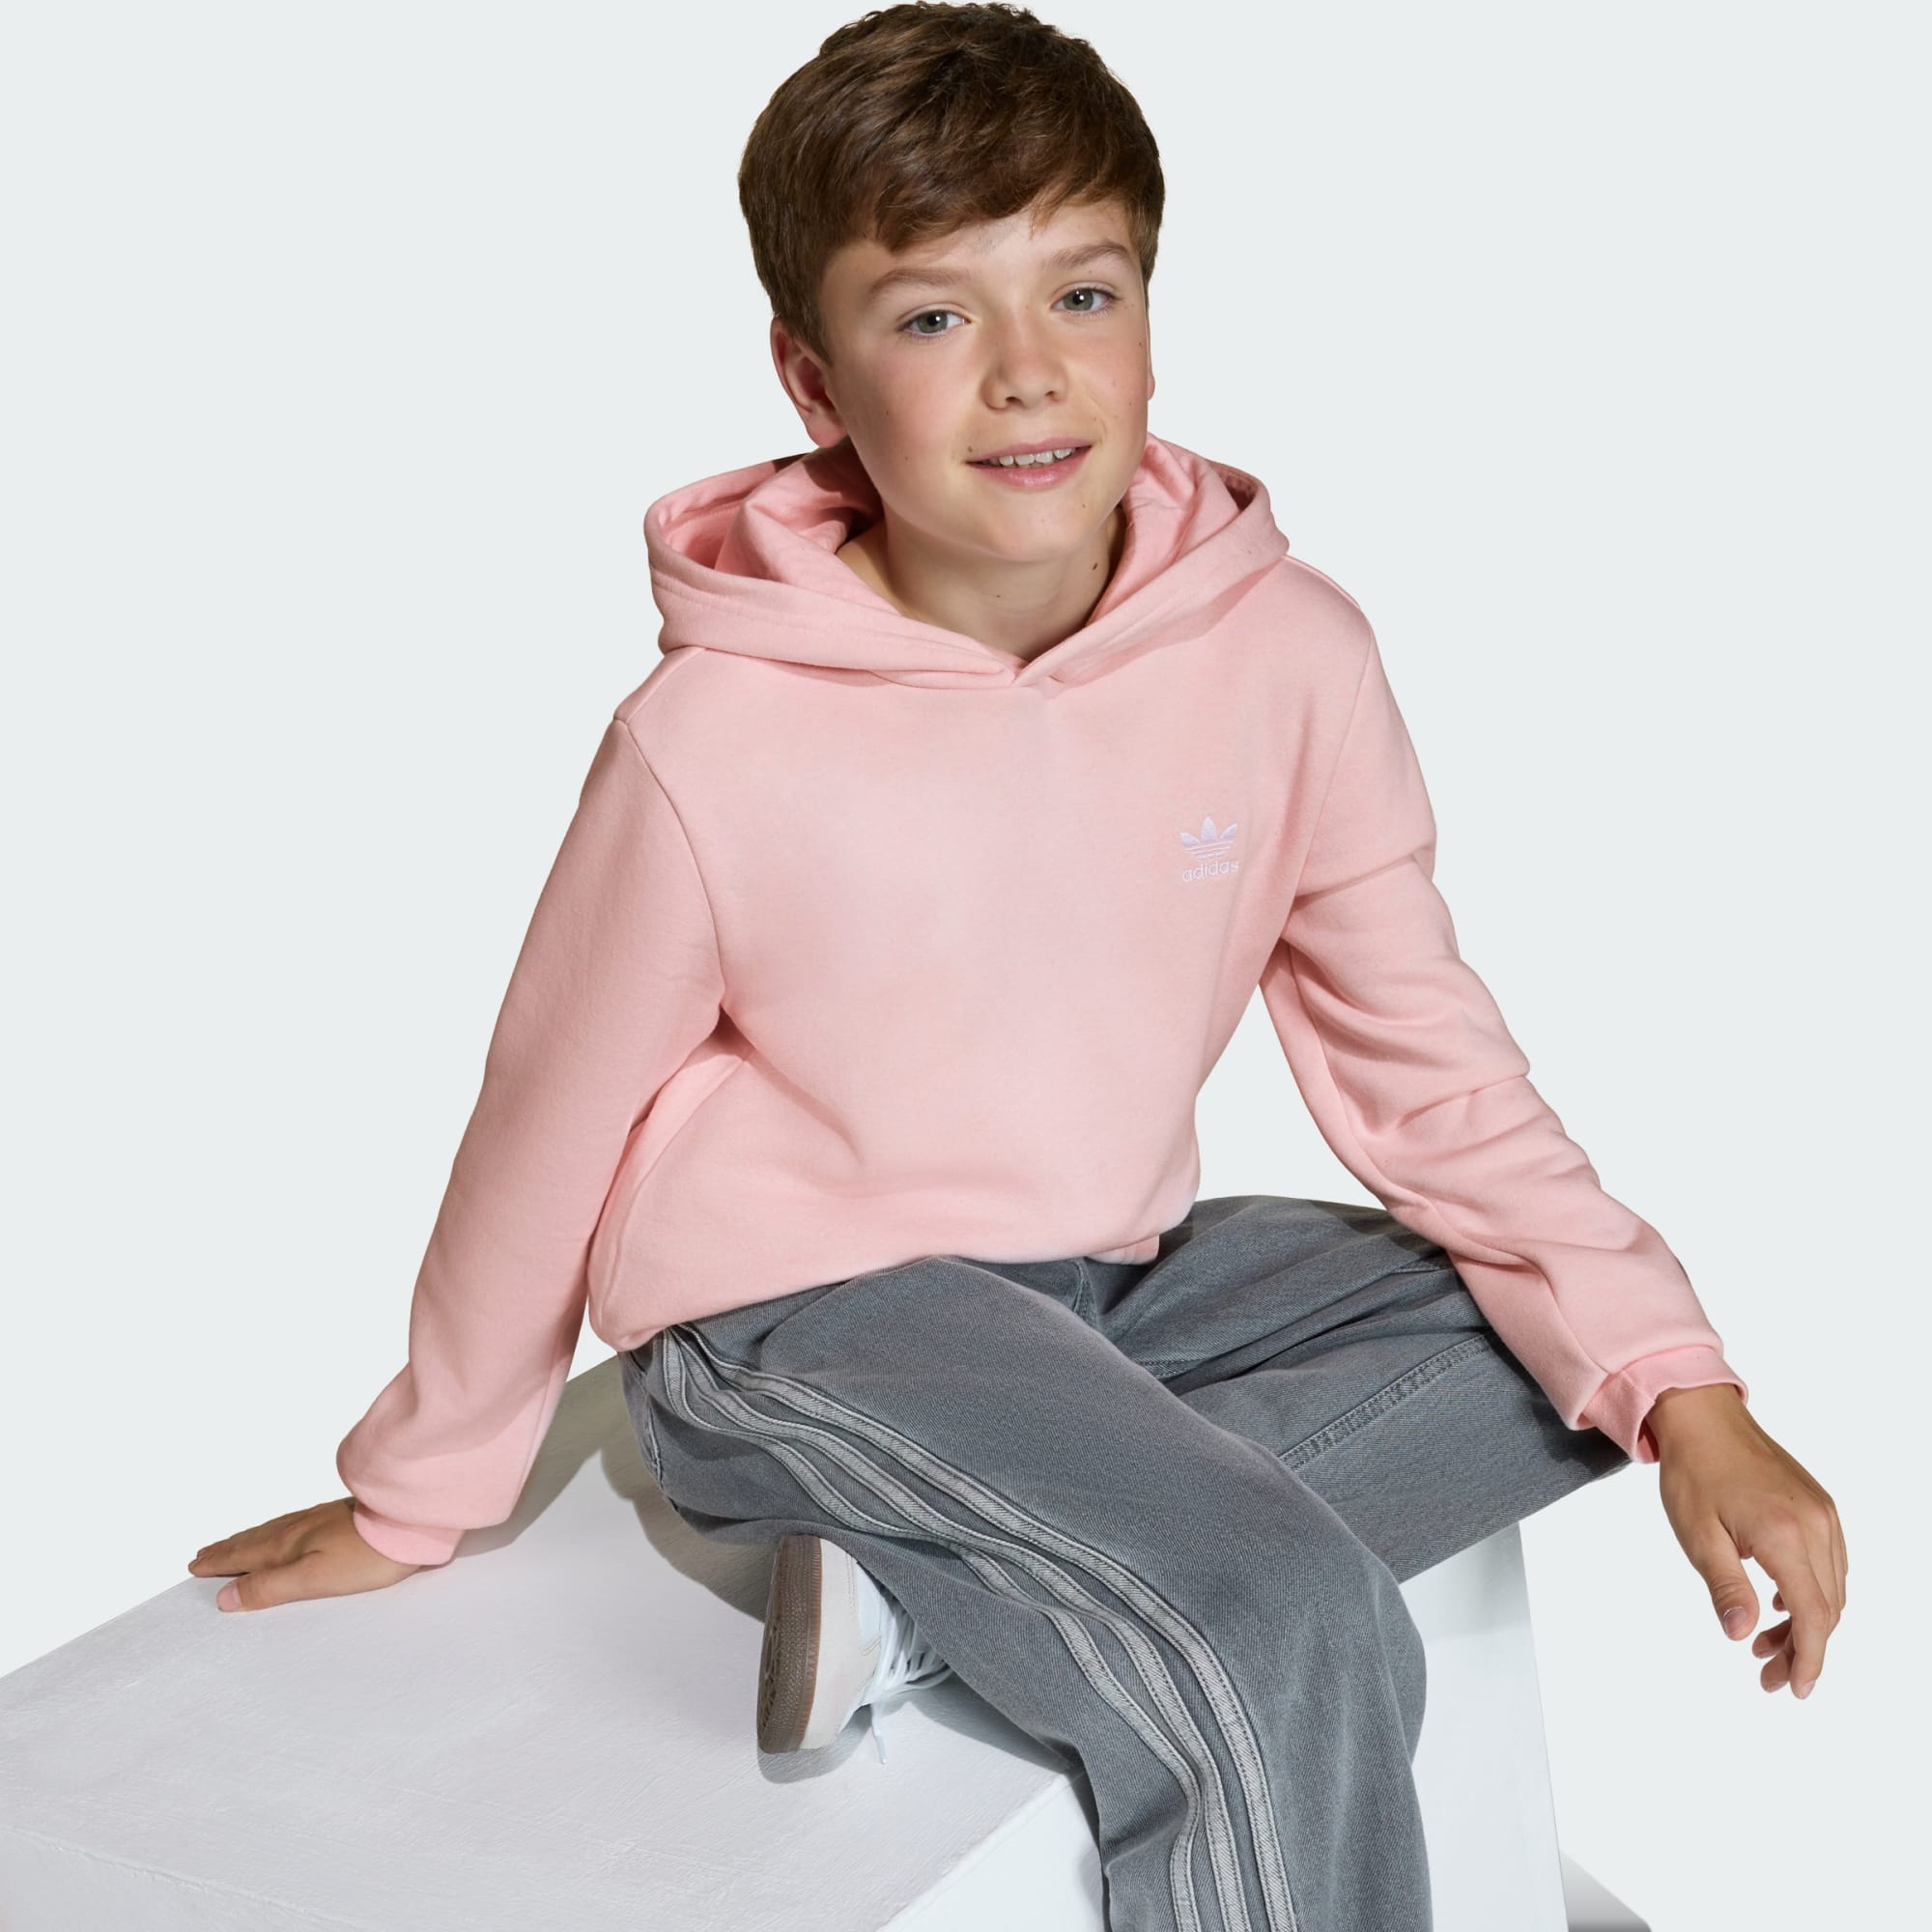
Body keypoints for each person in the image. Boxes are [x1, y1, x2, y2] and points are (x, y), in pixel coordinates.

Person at [187, 5, 1846, 1925]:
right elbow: (545, 1118)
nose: (1026, 372)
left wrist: (1689, 1391)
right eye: (930, 317)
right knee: (1276, 1615)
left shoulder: (1290, 655)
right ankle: (1069, 1566)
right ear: (814, 377)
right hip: (801, 1318)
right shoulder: (710, 740)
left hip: (1109, 1292)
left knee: (1552, 1347)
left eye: (1082, 291)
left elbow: (1432, 1069)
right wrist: (420, 1489)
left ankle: (939, 1588)